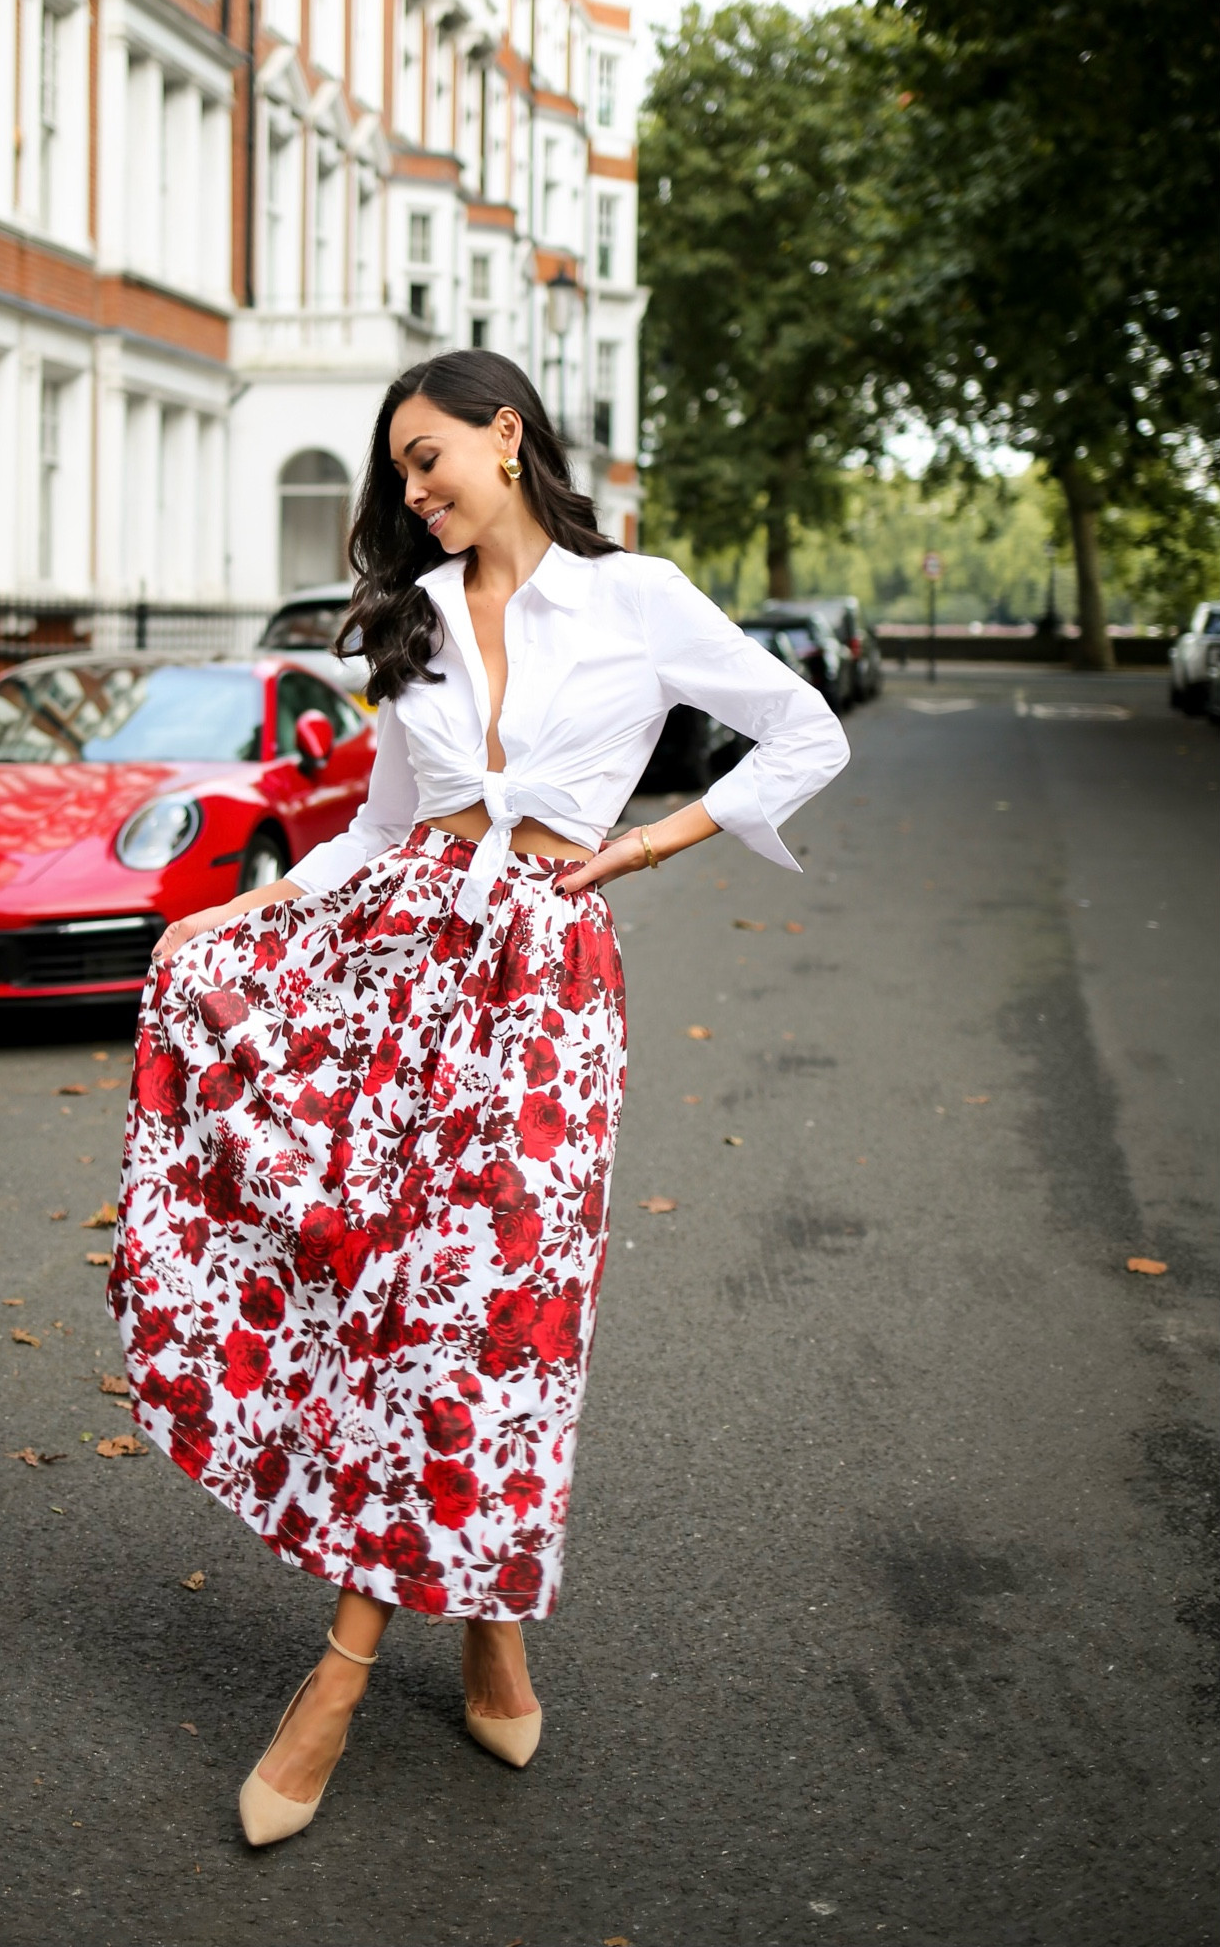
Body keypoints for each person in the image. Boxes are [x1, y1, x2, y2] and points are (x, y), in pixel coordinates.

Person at [107, 349, 848, 1847]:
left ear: (507, 437)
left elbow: (807, 733)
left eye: (428, 454)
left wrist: (640, 849)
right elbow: (381, 824)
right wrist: (236, 923)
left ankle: (340, 1674)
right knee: (391, 1300)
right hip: (395, 978)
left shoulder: (634, 597)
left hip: (546, 994)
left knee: (496, 1319)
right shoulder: (418, 620)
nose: (413, 489)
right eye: (397, 471)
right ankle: (491, 1614)